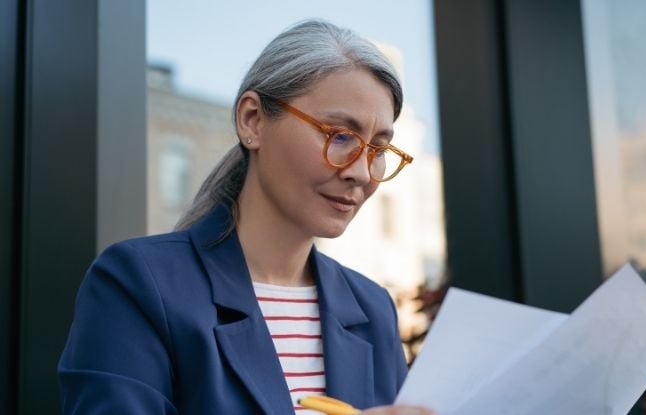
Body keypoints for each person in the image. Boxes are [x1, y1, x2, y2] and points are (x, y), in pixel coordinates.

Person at [58, 19, 434, 415]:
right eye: (338, 135)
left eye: (377, 150)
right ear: (252, 120)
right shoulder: (138, 282)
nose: (360, 172)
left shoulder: (372, 307)